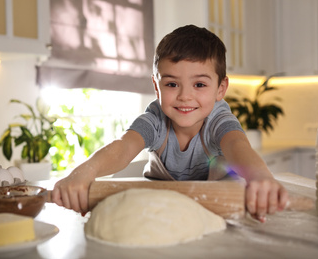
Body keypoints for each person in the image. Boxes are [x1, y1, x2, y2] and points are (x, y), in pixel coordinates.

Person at [52, 25, 289, 222]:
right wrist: (85, 172)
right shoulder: (155, 119)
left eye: (199, 85)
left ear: (220, 89)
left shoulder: (218, 119)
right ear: (157, 86)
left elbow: (238, 146)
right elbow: (124, 147)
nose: (185, 96)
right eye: (172, 84)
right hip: (161, 212)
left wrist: (261, 178)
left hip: (217, 211)